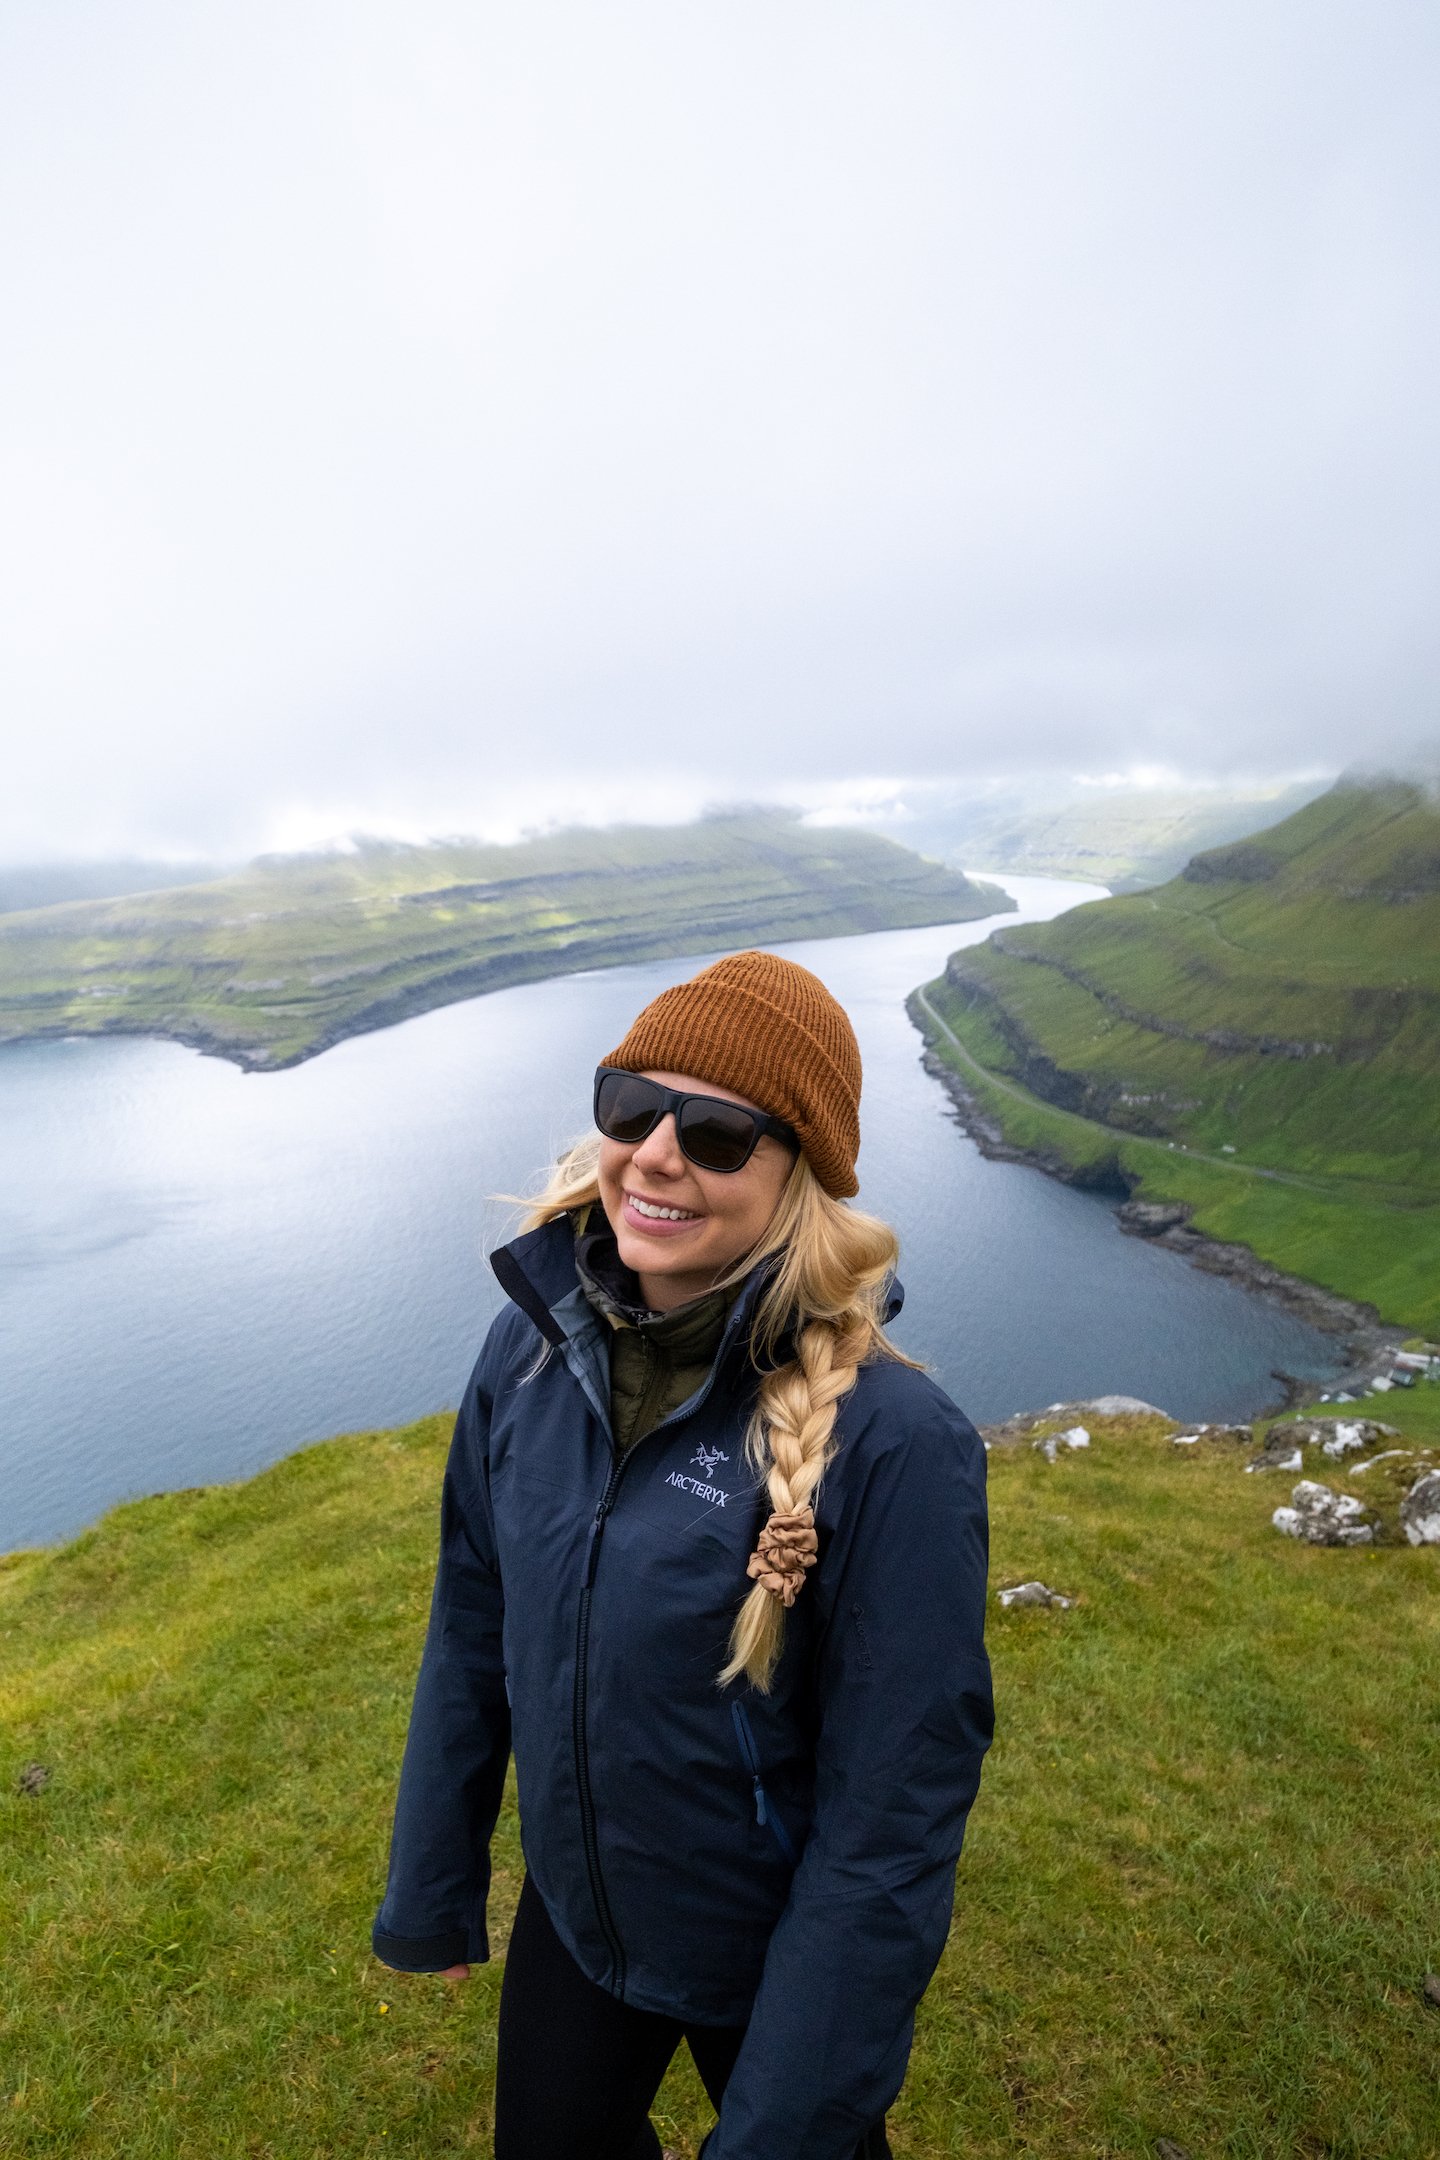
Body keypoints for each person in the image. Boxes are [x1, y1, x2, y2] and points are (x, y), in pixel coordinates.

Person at [371, 948, 994, 2160]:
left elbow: (893, 1820)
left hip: (777, 1943)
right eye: (629, 1105)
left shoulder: (896, 1445)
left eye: (716, 1134)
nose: (656, 1152)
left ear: (800, 1175)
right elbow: (472, 1627)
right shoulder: (529, 1352)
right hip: (581, 1909)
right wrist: (433, 1884)